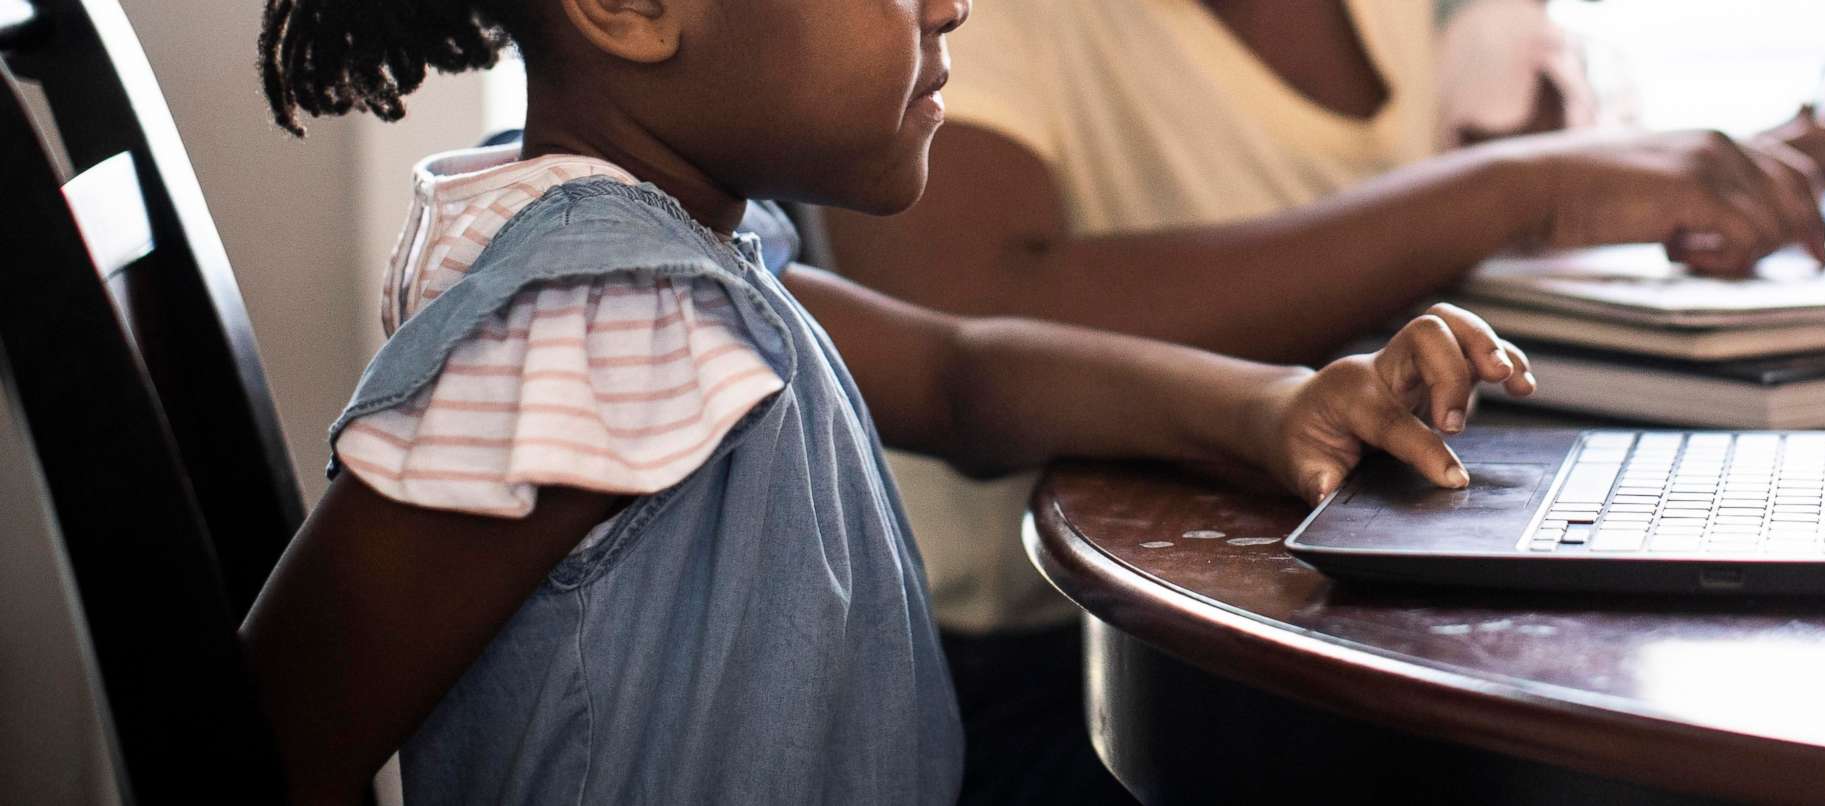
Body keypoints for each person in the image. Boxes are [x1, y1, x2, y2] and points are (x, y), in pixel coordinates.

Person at [237, 0, 1544, 801]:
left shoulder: (690, 269)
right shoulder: (591, 328)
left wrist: (1274, 409)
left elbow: (965, 375)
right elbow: (271, 733)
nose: (952, 10)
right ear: (631, 5)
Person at [815, 2, 1825, 802]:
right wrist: (1515, 190)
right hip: (1072, 666)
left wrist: (1656, 194)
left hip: (1365, 610)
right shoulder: (957, 25)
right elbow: (954, 317)